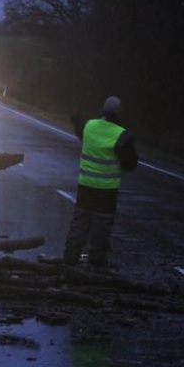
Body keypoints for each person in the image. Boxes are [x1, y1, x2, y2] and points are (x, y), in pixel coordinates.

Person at [63, 96, 138, 267]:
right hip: (107, 190)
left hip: (86, 185)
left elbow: (79, 129)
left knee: (80, 221)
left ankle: (70, 257)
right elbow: (130, 164)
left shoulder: (89, 126)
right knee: (101, 225)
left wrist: (75, 118)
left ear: (102, 110)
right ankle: (96, 260)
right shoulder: (122, 135)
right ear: (119, 114)